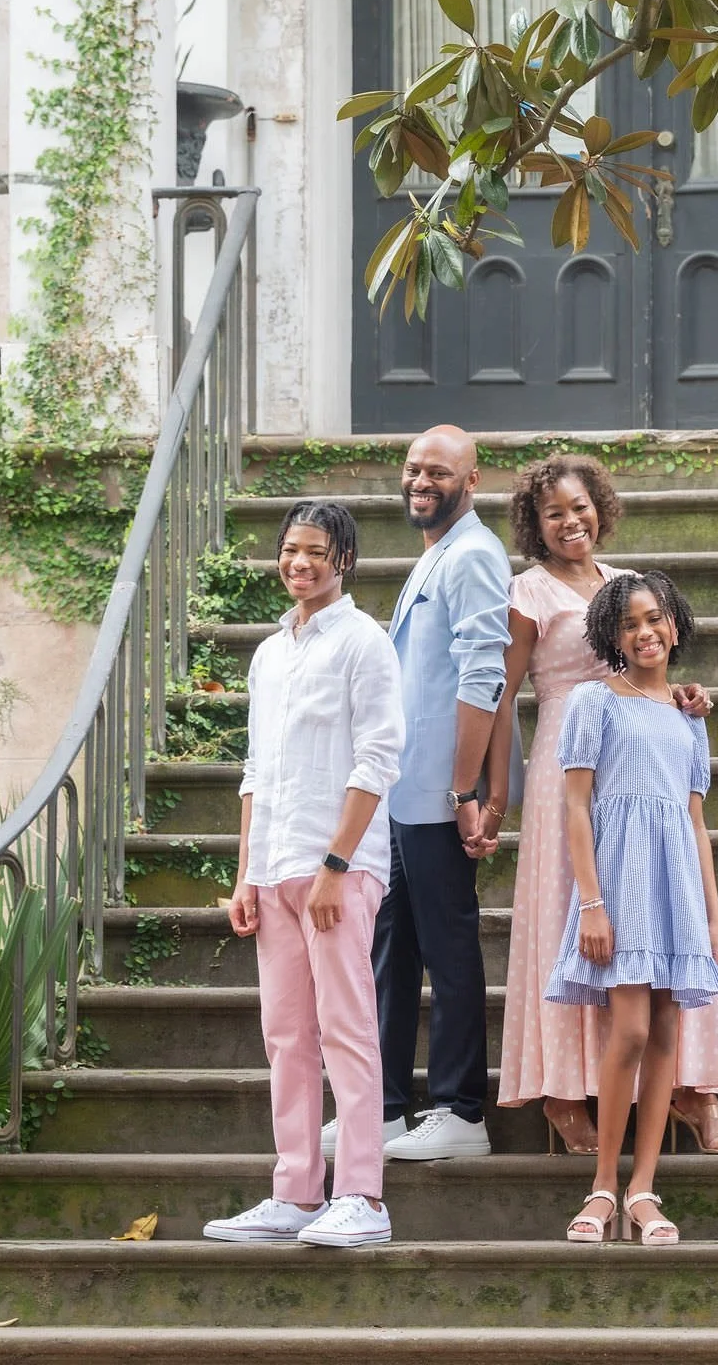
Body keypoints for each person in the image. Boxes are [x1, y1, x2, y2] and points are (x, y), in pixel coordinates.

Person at [484, 457, 718, 1155]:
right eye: (554, 513)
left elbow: (649, 664)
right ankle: (565, 1094)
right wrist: (492, 792)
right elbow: (504, 696)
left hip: (639, 764)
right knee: (573, 918)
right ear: (535, 527)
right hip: (566, 767)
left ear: (601, 506)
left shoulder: (628, 586)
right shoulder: (527, 592)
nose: (572, 522)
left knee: (664, 915)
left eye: (580, 506)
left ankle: (693, 1085)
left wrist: (687, 698)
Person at [203, 501, 404, 1247]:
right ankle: (295, 1192)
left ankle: (363, 1195)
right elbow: (255, 771)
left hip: (336, 874)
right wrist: (246, 874)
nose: (300, 564)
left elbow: (378, 759)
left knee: (347, 1029)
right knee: (286, 1035)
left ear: (343, 558)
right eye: (291, 550)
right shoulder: (269, 653)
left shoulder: (364, 643)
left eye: (316, 552)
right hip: (275, 870)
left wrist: (335, 864)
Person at [327, 424, 519, 1161]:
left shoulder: (473, 555)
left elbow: (482, 675)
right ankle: (382, 1110)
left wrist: (466, 786)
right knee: (393, 948)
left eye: (437, 471)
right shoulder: (439, 553)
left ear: (472, 480)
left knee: (447, 943)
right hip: (406, 794)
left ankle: (462, 1111)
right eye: (412, 469)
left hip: (440, 792)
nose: (420, 481)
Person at [546, 571, 718, 1245]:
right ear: (612, 637)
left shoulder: (688, 718)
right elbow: (574, 805)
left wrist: (712, 917)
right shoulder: (595, 702)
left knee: (666, 1036)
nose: (644, 632)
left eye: (655, 619)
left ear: (674, 624)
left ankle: (645, 1188)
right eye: (629, 624)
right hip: (619, 888)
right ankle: (602, 1185)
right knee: (627, 1031)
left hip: (676, 891)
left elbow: (694, 822)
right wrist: (591, 903)